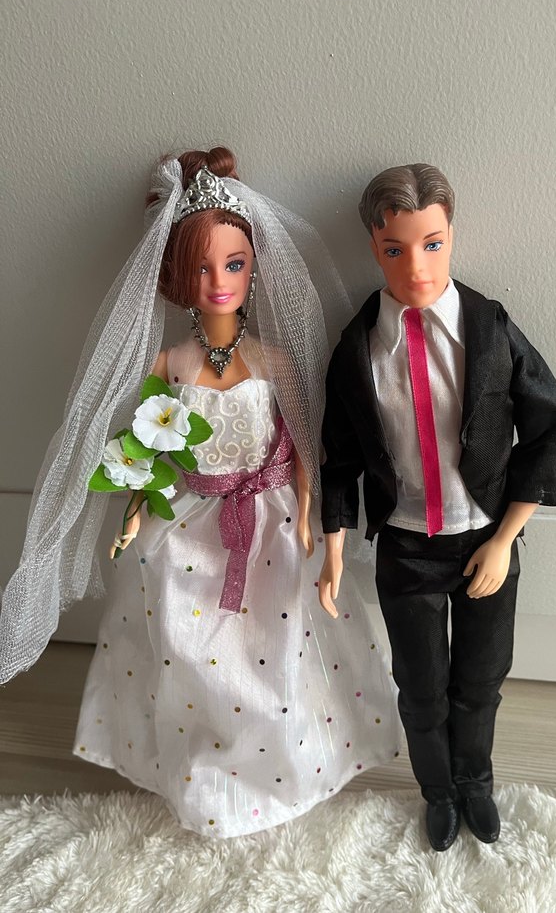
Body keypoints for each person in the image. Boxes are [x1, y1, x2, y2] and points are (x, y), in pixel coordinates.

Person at [0, 147, 401, 837]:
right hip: (188, 524)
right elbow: (148, 446)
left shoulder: (274, 361)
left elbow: (304, 444)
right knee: (188, 650)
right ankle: (199, 774)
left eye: (233, 264)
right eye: (202, 269)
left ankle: (282, 768)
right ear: (177, 278)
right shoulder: (170, 363)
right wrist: (133, 516)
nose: (219, 282)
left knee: (275, 650)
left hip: (271, 519)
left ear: (254, 268)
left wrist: (308, 511)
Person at [319, 163, 556, 852]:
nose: (417, 267)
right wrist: (334, 546)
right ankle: (437, 791)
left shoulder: (488, 329)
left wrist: (505, 538)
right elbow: (338, 455)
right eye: (395, 249)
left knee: (481, 679)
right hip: (407, 546)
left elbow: (549, 423)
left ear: (451, 236)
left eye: (432, 244)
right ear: (374, 249)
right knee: (421, 686)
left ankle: (474, 782)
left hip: (484, 536)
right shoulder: (358, 349)